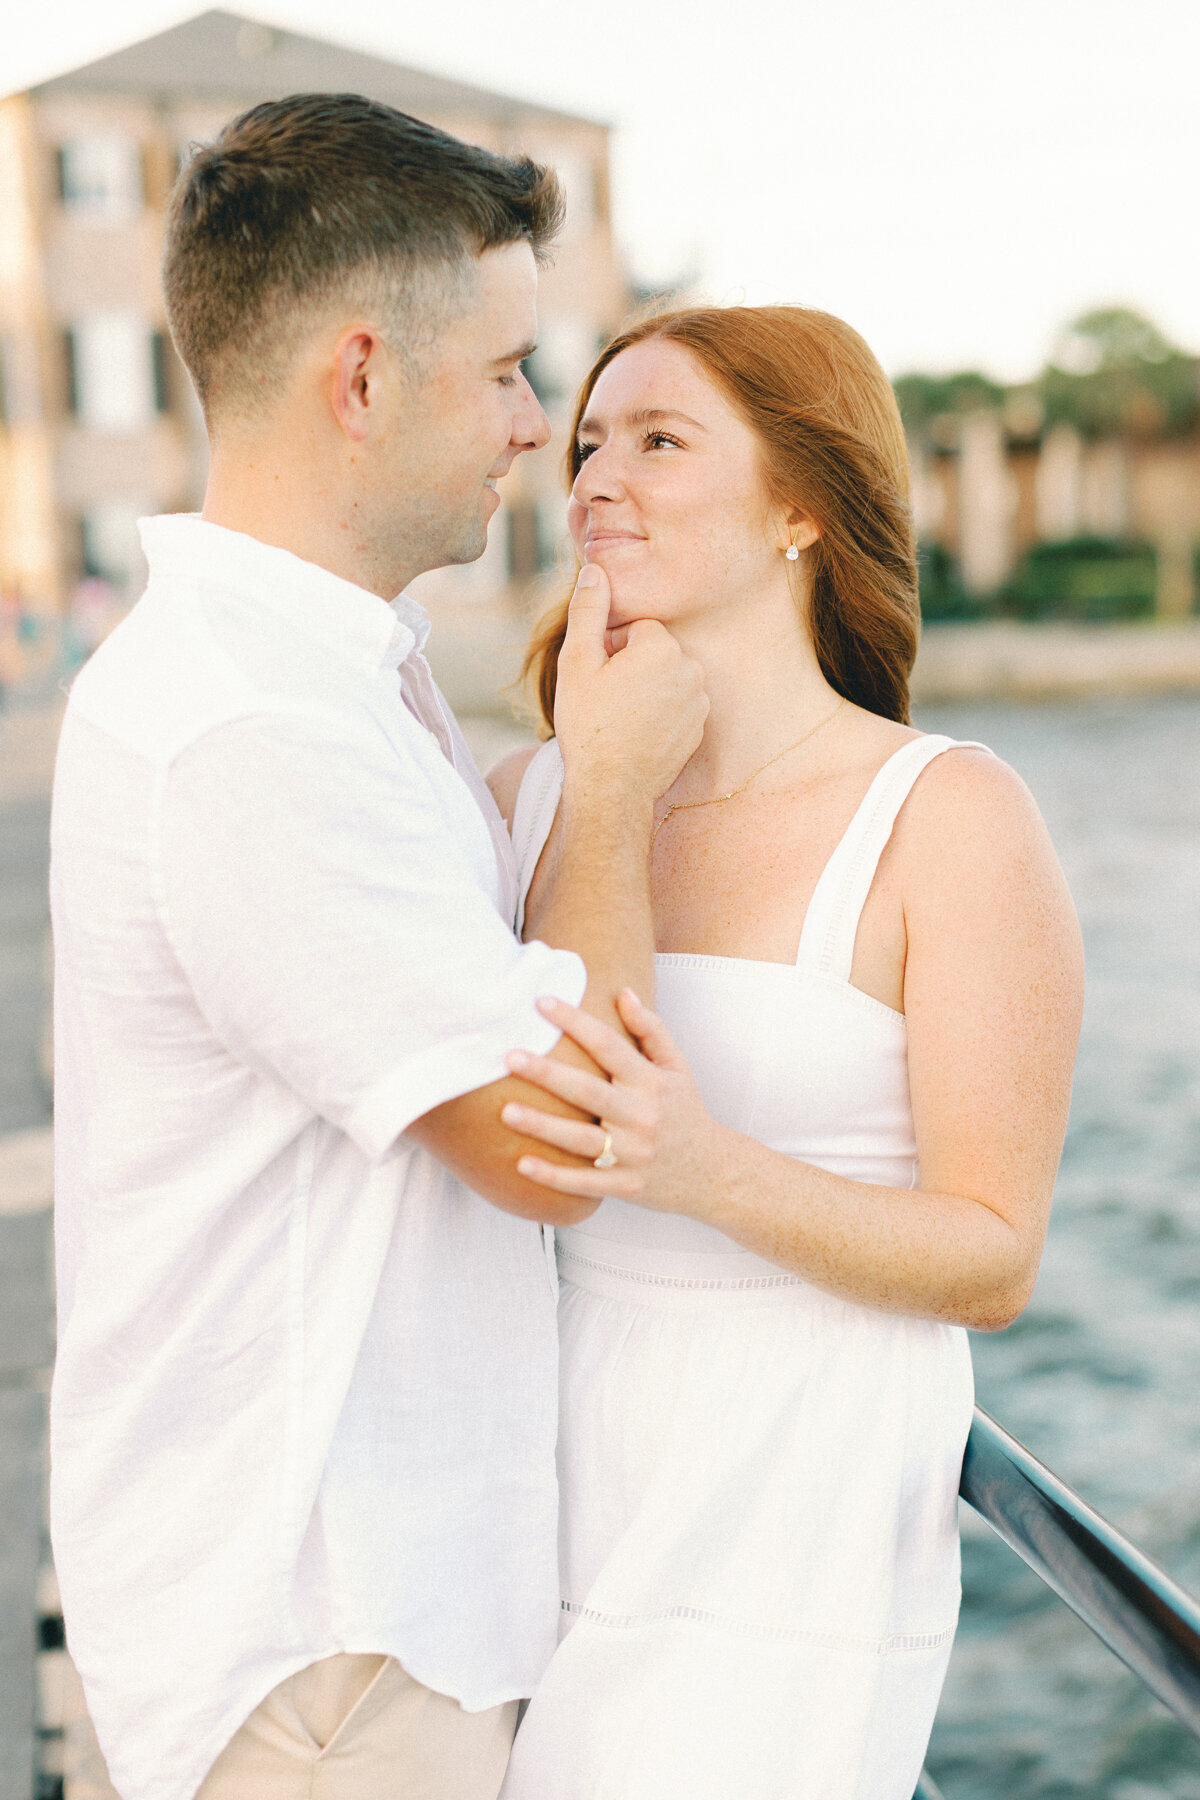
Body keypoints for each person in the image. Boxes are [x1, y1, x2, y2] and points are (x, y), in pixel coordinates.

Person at [48, 96, 706, 1800]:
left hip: (331, 1628)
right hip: (324, 1660)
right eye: (503, 368)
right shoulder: (255, 724)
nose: (534, 422)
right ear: (359, 378)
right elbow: (554, 1143)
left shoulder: (330, 673)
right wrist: (618, 788)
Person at [485, 304, 1085, 1798]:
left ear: (803, 507)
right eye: (589, 443)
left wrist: (704, 1170)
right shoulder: (527, 798)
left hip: (788, 1533)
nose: (596, 480)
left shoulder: (948, 817)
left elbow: (993, 1256)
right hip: (518, 1494)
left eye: (661, 441)